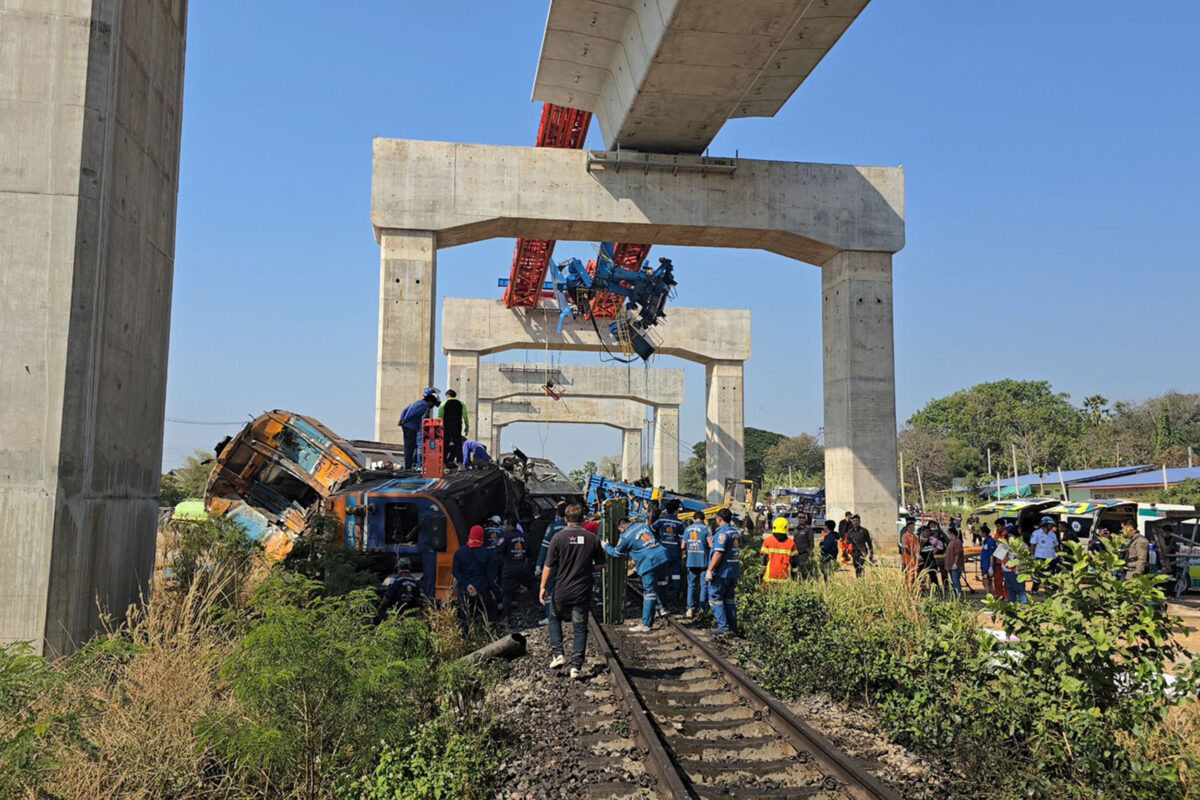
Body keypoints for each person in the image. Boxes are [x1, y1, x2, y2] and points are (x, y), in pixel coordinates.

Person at [540, 504, 605, 679]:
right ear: (583, 519)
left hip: (561, 589)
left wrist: (543, 587)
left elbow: (548, 566)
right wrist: (587, 567)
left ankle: (558, 654)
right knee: (580, 627)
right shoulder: (592, 538)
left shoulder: (558, 538)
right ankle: (576, 667)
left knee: (554, 618)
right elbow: (601, 565)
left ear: (566, 519)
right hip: (582, 590)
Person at [605, 516, 670, 632]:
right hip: (662, 555)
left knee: (649, 593)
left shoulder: (625, 536)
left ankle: (646, 624)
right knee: (661, 583)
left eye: (619, 530)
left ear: (622, 527)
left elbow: (616, 553)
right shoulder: (643, 525)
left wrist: (606, 546)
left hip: (648, 562)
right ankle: (663, 608)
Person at [452, 525, 498, 635]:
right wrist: (493, 590)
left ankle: (466, 640)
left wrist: (468, 585)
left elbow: (455, 572)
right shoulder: (488, 553)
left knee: (465, 617)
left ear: (470, 536)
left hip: (465, 591)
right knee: (489, 613)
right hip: (482, 590)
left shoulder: (460, 552)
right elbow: (491, 575)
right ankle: (488, 637)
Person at [706, 509, 742, 636]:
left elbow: (718, 553)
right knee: (729, 600)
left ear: (719, 519)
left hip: (722, 572)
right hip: (733, 571)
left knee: (715, 597)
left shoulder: (722, 534)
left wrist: (710, 570)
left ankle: (723, 628)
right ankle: (733, 627)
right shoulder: (735, 532)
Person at [536, 502, 568, 625]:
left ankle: (550, 616)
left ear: (557, 514)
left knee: (549, 588)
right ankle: (563, 613)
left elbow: (545, 547)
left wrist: (539, 565)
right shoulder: (572, 528)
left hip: (554, 563)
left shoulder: (553, 528)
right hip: (568, 564)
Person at [497, 515, 533, 619]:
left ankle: (505, 616)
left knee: (506, 592)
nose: (504, 527)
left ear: (509, 525)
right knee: (532, 586)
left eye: (505, 525)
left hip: (509, 568)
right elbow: (531, 553)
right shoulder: (526, 536)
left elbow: (498, 550)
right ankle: (541, 605)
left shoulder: (506, 537)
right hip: (522, 566)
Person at [652, 500, 686, 603]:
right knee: (676, 573)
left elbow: (652, 529)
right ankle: (675, 594)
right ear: (676, 511)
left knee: (663, 573)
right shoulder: (680, 523)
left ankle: (662, 595)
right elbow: (682, 538)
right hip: (675, 551)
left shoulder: (661, 520)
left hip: (663, 550)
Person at [398, 388, 440, 469]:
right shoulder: (424, 405)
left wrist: (402, 420)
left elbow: (405, 410)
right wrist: (405, 420)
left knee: (408, 446)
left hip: (406, 426)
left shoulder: (416, 402)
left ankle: (409, 465)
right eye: (433, 404)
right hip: (411, 427)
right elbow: (413, 414)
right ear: (430, 402)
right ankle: (408, 467)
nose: (432, 407)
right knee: (411, 447)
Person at [682, 511, 709, 618]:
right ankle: (702, 609)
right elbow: (711, 543)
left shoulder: (687, 529)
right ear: (703, 519)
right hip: (703, 560)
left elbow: (682, 546)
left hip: (691, 560)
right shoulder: (706, 529)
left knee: (691, 585)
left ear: (693, 519)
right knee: (703, 585)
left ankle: (690, 609)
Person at [994, 525, 1027, 604]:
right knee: (1011, 589)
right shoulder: (1005, 544)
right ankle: (1012, 604)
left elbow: (1024, 557)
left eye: (1010, 536)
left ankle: (1023, 604)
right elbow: (1000, 556)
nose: (1009, 538)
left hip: (1017, 570)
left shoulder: (1021, 544)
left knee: (1020, 589)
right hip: (1008, 570)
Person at [761, 517, 799, 584]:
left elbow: (763, 559)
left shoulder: (767, 541)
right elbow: (794, 561)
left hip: (769, 577)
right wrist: (794, 574)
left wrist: (761, 572)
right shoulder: (791, 543)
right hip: (784, 578)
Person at [438, 389, 469, 467]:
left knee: (445, 444)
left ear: (448, 395)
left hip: (446, 427)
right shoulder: (461, 403)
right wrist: (467, 426)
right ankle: (460, 464)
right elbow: (465, 416)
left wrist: (439, 427)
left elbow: (440, 416)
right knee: (458, 444)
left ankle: (443, 463)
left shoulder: (444, 403)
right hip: (457, 426)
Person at [1029, 516, 1059, 593]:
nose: (1052, 526)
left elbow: (1056, 546)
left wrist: (1059, 555)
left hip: (1051, 557)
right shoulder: (1036, 533)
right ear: (1045, 524)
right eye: (1050, 524)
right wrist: (1032, 556)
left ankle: (1048, 589)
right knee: (1037, 574)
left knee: (1049, 574)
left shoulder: (1053, 534)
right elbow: (1032, 545)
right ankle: (1035, 589)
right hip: (1040, 557)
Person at [945, 527, 966, 598]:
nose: (947, 535)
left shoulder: (957, 542)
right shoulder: (951, 542)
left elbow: (958, 553)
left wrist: (955, 563)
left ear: (952, 533)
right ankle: (956, 596)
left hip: (955, 566)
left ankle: (958, 597)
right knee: (954, 581)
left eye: (948, 533)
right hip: (951, 565)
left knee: (956, 581)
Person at [899, 521, 920, 587]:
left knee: (915, 575)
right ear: (908, 527)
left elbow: (917, 546)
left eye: (913, 526)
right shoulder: (905, 536)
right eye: (911, 526)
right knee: (908, 575)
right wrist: (913, 554)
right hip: (907, 560)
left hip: (915, 560)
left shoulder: (915, 537)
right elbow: (905, 547)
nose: (913, 528)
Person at [979, 524, 998, 595]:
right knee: (988, 582)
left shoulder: (990, 541)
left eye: (980, 532)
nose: (979, 533)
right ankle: (994, 596)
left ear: (984, 533)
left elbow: (992, 555)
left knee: (986, 582)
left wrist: (991, 567)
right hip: (984, 566)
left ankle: (988, 596)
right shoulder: (985, 541)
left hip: (987, 566)